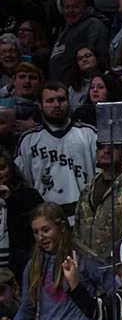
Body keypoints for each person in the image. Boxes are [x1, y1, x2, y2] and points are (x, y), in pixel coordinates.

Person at [0, 203, 113, 320]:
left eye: (46, 230)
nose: (40, 237)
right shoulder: (33, 267)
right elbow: (27, 309)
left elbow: (116, 293)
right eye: (36, 232)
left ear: (61, 227)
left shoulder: (83, 260)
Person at [16, 82, 96, 222]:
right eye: (50, 100)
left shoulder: (89, 134)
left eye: (61, 99)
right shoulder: (28, 141)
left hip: (84, 215)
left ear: (69, 102)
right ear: (40, 105)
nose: (56, 104)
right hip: (44, 217)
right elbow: (25, 184)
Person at [48, 0, 110, 84]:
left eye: (76, 7)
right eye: (67, 7)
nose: (71, 11)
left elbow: (98, 60)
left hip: (79, 87)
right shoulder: (68, 26)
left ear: (84, 6)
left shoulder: (93, 25)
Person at [0, 149, 42, 278]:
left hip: (22, 267)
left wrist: (10, 199)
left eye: (2, 168)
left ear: (12, 169)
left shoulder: (29, 196)